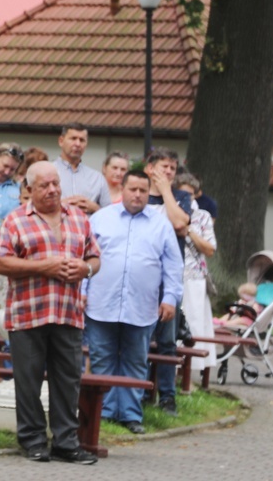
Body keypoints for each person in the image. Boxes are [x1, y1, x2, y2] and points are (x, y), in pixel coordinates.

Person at [0, 161, 100, 465]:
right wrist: (45, 266)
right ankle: (33, 441)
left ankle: (67, 442)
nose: (52, 189)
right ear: (29, 189)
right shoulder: (15, 220)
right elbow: (0, 262)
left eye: (55, 183)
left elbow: (95, 257)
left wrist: (86, 269)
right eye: (44, 185)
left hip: (68, 313)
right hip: (28, 314)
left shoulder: (79, 218)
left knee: (68, 381)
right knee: (28, 381)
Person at [85, 170, 184, 435]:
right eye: (133, 189)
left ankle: (130, 414)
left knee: (136, 360)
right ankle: (103, 412)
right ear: (123, 189)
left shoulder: (160, 224)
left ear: (148, 191)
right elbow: (84, 257)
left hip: (142, 306)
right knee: (102, 358)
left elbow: (173, 265)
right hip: (100, 303)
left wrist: (171, 298)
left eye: (143, 190)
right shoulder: (100, 219)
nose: (138, 195)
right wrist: (81, 290)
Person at [144, 147, 191, 417]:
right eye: (164, 166)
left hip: (169, 282)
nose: (169, 172)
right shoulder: (139, 195)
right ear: (150, 168)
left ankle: (167, 397)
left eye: (173, 168)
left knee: (168, 342)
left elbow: (178, 222)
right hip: (143, 280)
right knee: (139, 340)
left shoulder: (181, 197)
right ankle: (139, 391)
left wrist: (166, 193)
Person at [174, 173, 217, 372]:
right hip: (172, 275)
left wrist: (189, 229)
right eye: (182, 193)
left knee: (194, 322)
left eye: (190, 195)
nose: (186, 198)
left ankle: (190, 370)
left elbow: (209, 249)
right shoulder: (167, 211)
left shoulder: (203, 217)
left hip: (194, 278)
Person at [54, 123, 111, 214]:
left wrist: (95, 208)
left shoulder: (97, 178)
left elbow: (109, 215)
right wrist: (59, 205)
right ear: (61, 141)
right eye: (73, 138)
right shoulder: (46, 173)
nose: (77, 144)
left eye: (82, 140)